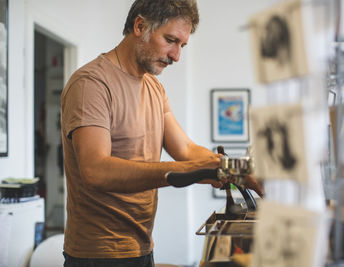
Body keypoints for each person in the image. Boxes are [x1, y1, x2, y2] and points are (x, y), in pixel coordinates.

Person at [61, 1, 262, 266]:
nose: (176, 56)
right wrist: (197, 169)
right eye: (171, 40)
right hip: (98, 254)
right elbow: (95, 170)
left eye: (183, 45)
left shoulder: (154, 88)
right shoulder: (91, 84)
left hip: (142, 245)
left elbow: (186, 150)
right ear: (140, 26)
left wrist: (236, 170)